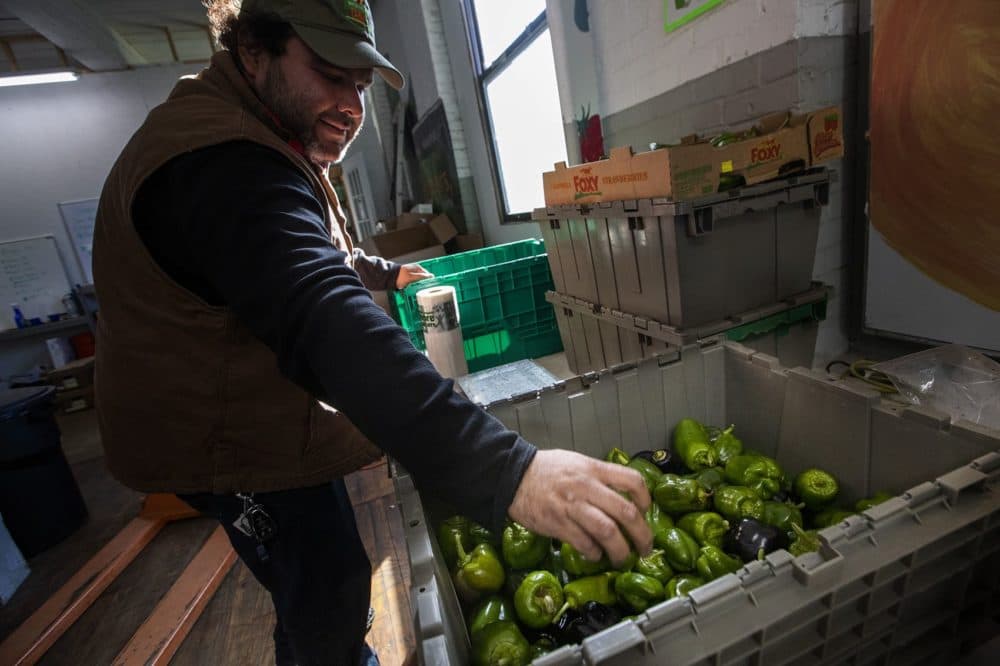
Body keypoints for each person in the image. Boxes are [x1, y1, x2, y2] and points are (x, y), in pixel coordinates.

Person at [91, 1, 653, 664]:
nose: (351, 105)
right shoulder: (222, 162)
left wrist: (387, 272)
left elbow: (305, 255)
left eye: (359, 86)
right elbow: (318, 309)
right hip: (215, 430)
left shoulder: (258, 130)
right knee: (324, 581)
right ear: (251, 49)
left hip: (250, 401)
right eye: (330, 74)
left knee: (317, 576)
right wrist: (508, 470)